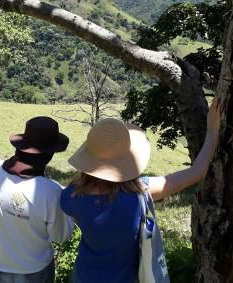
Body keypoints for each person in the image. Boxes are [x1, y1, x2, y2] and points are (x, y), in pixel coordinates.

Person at [60, 98, 221, 283]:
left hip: (84, 276)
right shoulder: (141, 191)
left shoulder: (70, 196)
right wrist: (213, 132)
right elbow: (197, 172)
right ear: (126, 159)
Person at [0, 116, 74, 283]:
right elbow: (61, 236)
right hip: (34, 271)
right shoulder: (51, 192)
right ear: (50, 155)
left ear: (20, 145)